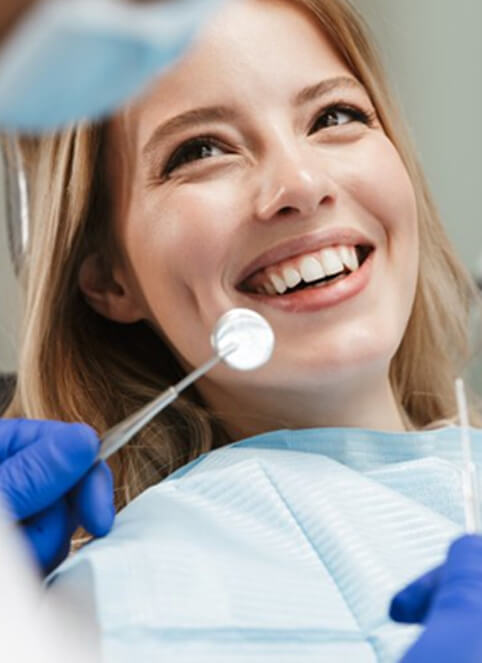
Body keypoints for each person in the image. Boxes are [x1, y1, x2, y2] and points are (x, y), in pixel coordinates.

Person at [4, 0, 482, 660]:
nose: (301, 183)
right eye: (200, 151)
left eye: (334, 116)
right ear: (111, 279)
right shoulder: (105, 606)